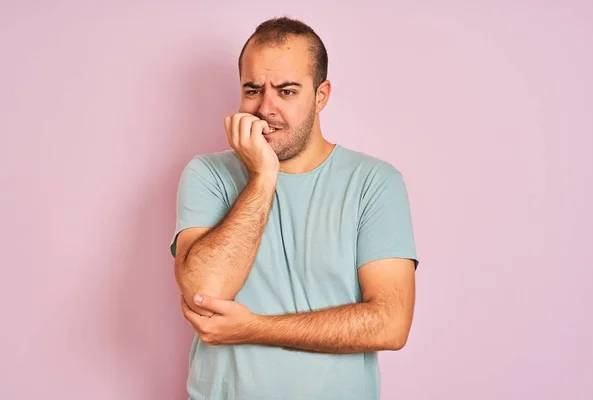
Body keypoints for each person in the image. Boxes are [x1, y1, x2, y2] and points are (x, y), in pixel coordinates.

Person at [170, 16, 419, 400]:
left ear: (321, 96)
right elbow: (205, 290)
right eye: (253, 90)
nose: (265, 108)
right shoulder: (207, 174)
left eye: (286, 91)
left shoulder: (375, 182)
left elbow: (390, 323)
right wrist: (263, 176)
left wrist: (254, 327)